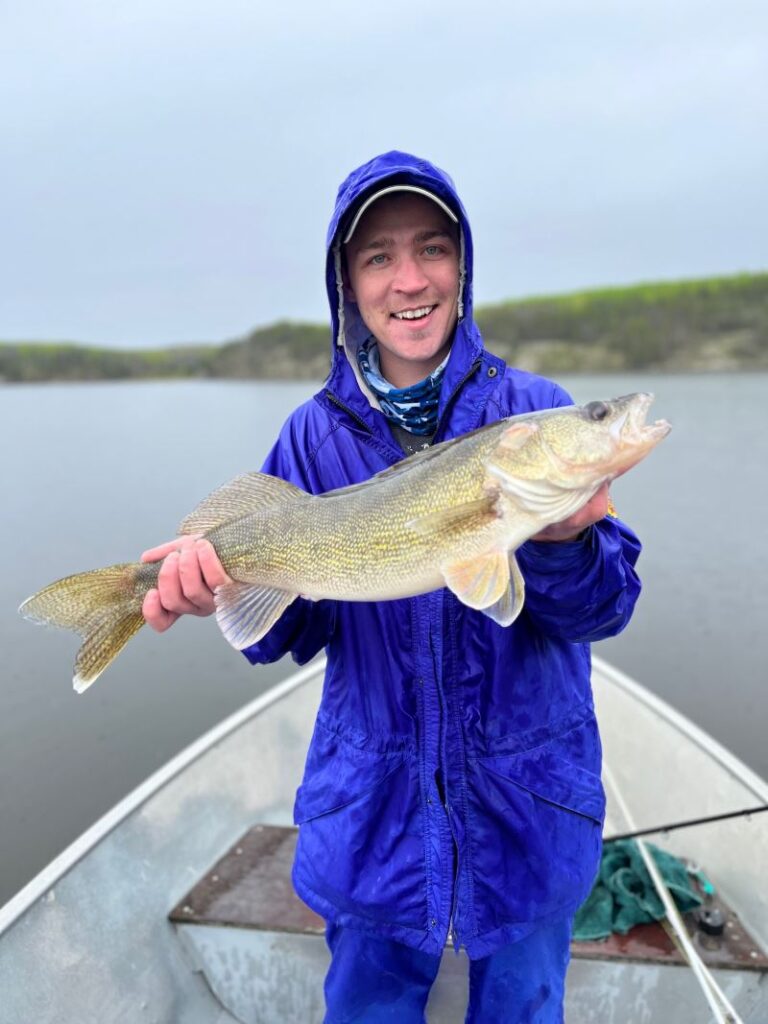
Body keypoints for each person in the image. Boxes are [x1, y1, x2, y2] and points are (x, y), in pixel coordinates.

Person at [141, 151, 642, 1023]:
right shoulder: (309, 437)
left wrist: (561, 542)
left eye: (433, 249)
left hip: (525, 815)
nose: (410, 279)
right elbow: (279, 636)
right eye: (378, 256)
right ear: (346, 282)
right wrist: (208, 588)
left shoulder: (531, 408)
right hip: (374, 822)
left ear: (463, 266)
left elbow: (608, 605)